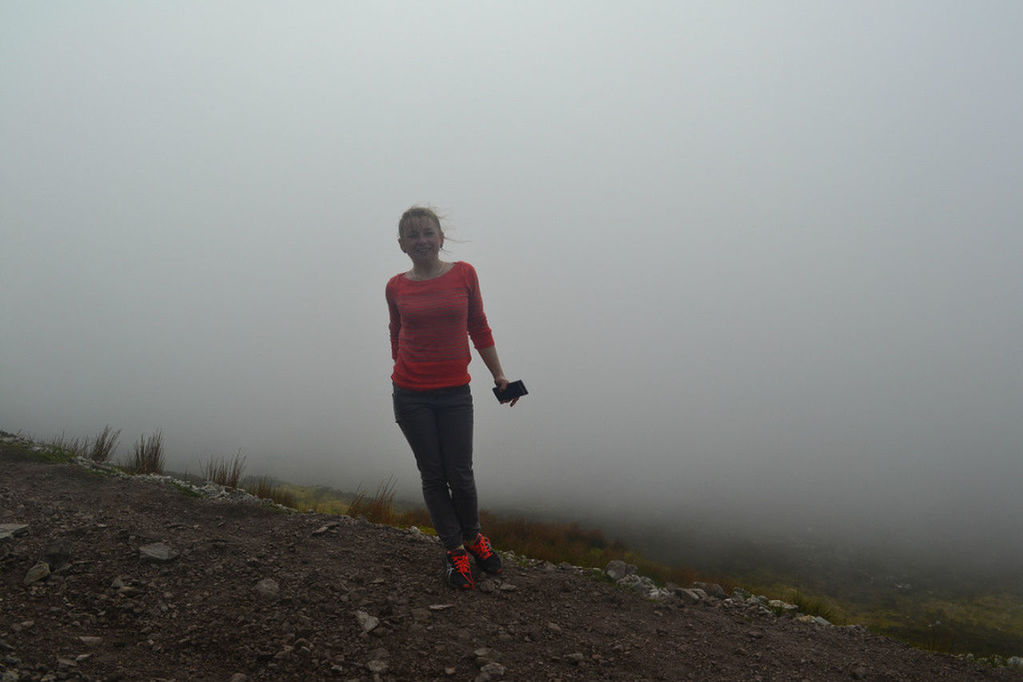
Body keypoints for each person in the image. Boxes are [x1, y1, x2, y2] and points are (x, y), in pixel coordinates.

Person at [386, 206, 519, 590]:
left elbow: (478, 325)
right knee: (433, 475)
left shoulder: (464, 274)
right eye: (413, 235)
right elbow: (396, 332)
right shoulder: (395, 286)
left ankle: (474, 537)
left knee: (460, 473)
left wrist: (498, 375)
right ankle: (454, 551)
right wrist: (404, 370)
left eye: (428, 232)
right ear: (402, 245)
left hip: (454, 392)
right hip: (411, 395)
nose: (422, 240)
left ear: (441, 238)